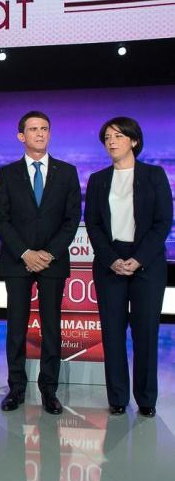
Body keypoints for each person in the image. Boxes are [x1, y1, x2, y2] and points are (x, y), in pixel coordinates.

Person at [0, 111, 81, 414]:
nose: (40, 133)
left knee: (51, 328)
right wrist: (25, 253)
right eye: (33, 129)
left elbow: (72, 220)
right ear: (22, 136)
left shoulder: (67, 172)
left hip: (52, 262)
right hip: (17, 261)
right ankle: (16, 389)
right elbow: (0, 219)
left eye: (44, 128)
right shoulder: (7, 173)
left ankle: (49, 391)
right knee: (16, 327)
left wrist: (48, 254)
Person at [84, 117, 172, 417]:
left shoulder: (154, 175)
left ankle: (146, 399)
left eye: (118, 136)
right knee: (112, 332)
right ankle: (118, 397)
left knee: (145, 332)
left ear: (134, 141)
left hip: (147, 262)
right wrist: (111, 259)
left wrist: (139, 259)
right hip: (110, 262)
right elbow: (94, 225)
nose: (111, 141)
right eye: (107, 137)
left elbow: (163, 222)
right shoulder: (97, 179)